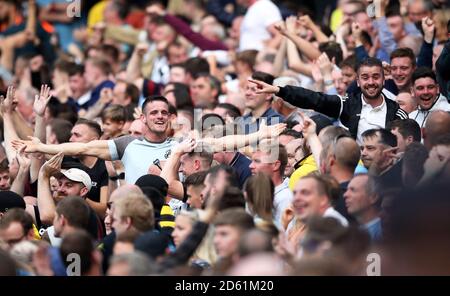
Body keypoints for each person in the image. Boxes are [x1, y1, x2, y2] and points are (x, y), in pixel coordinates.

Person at [249, 57, 408, 143]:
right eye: (365, 78)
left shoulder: (397, 113)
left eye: (376, 77)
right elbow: (313, 99)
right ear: (358, 82)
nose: (371, 82)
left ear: (384, 80)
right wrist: (279, 90)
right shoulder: (347, 104)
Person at [343, 174, 382, 242]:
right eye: (347, 190)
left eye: (353, 190)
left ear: (373, 197)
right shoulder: (357, 232)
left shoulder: (383, 234)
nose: (345, 195)